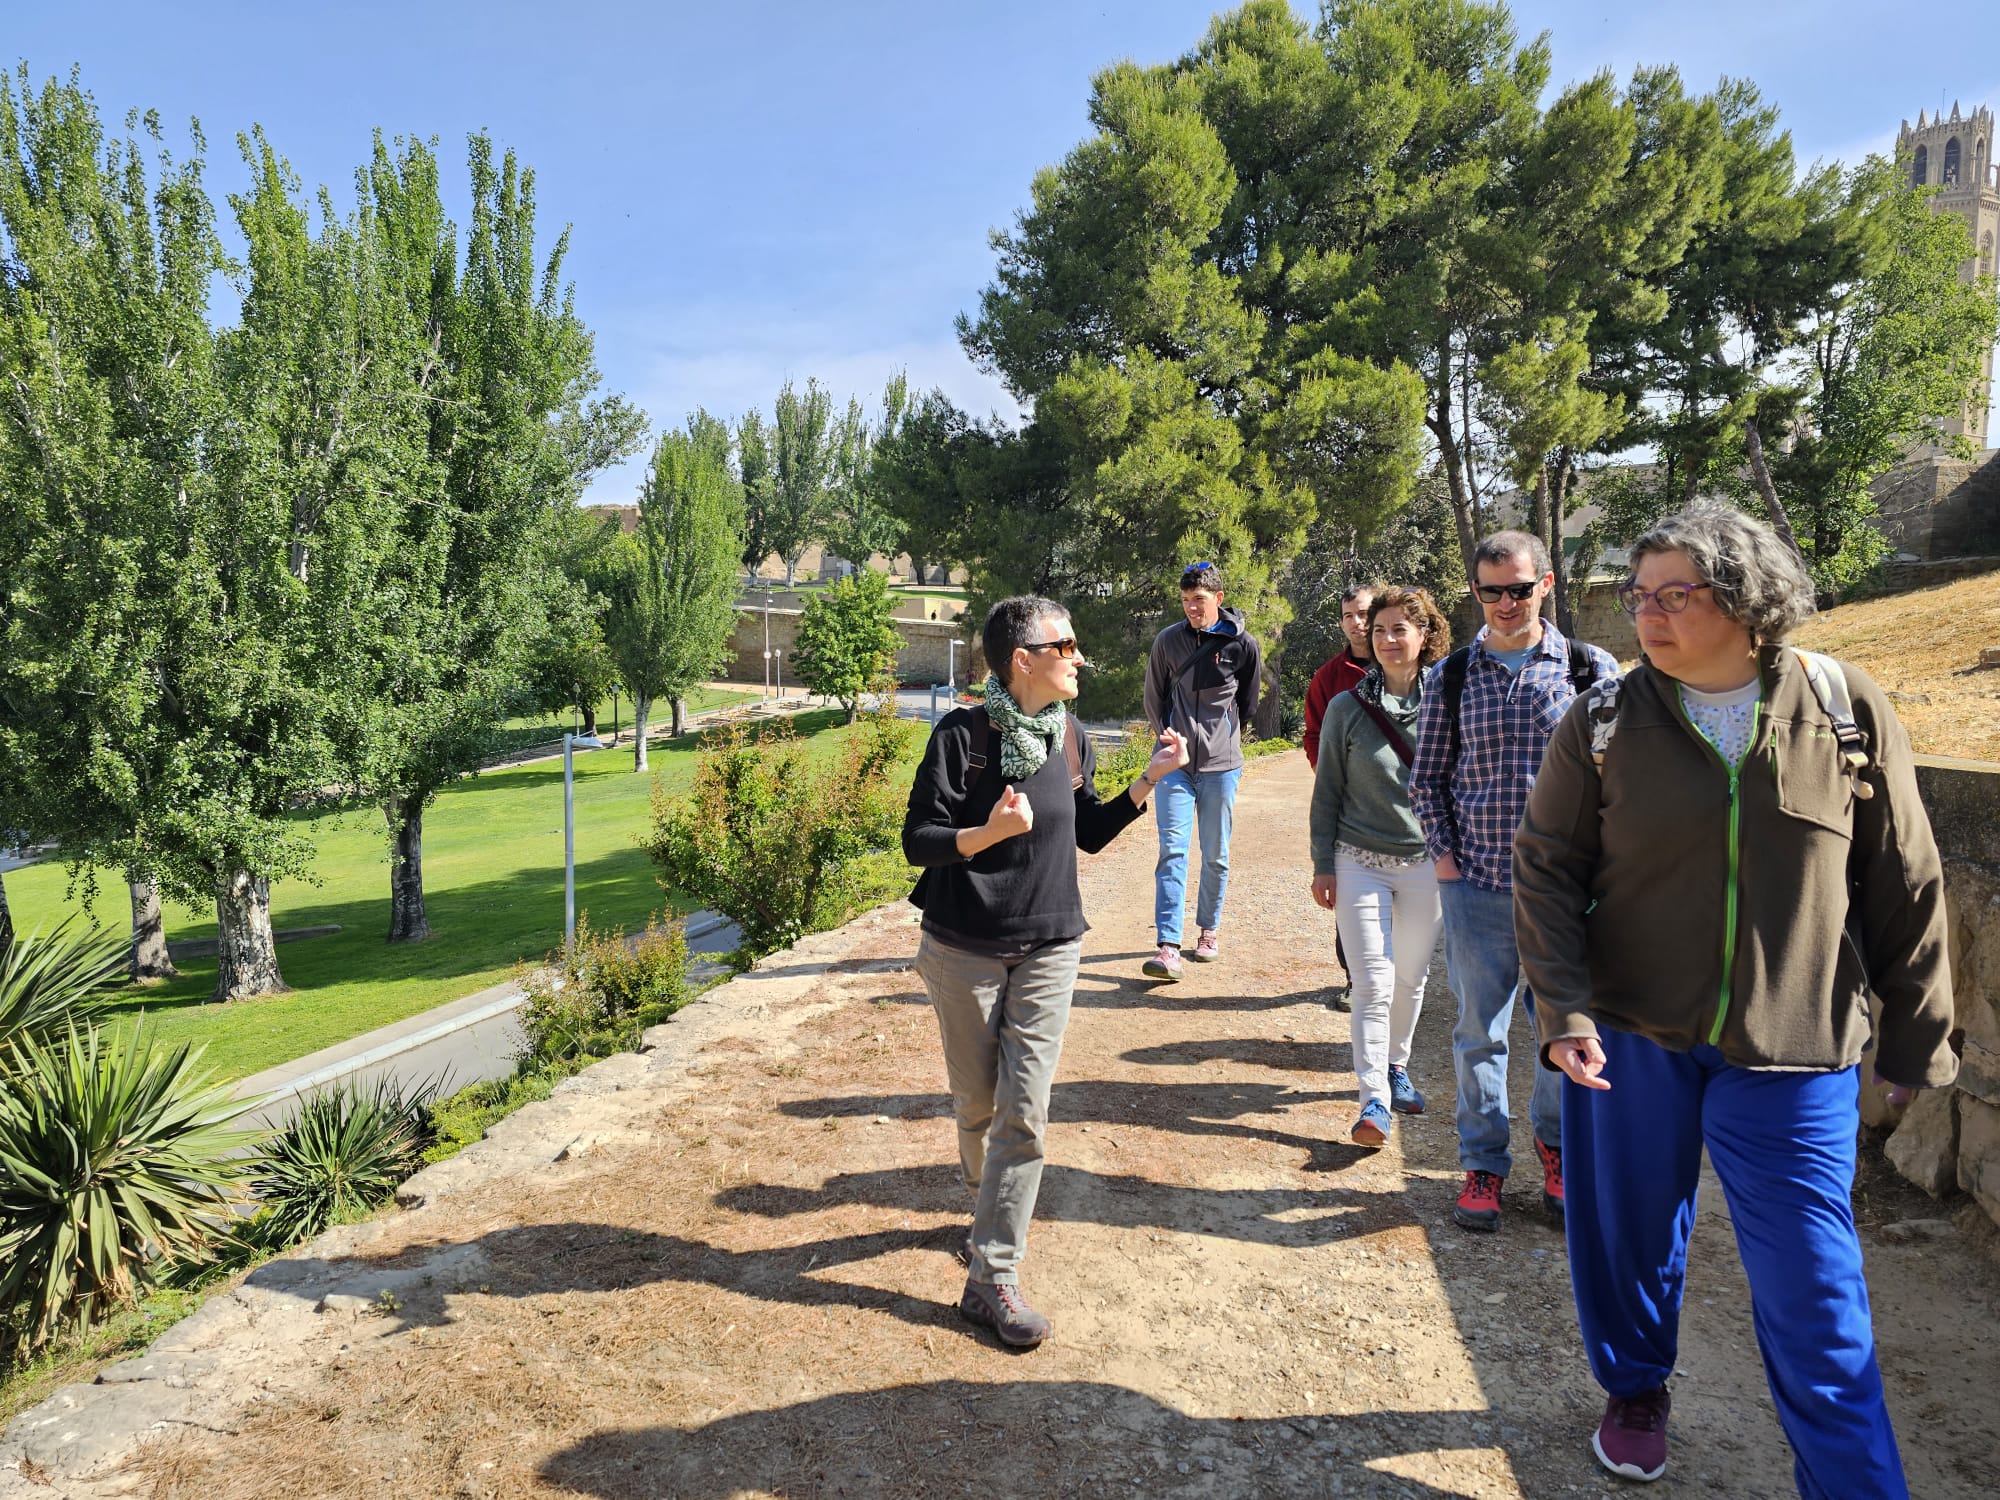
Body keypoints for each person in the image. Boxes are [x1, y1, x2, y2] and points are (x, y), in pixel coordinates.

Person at [1514, 504, 1954, 1491]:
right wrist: (1563, 1013)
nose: (1647, 615)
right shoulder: (1602, 720)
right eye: (1639, 595)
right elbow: (1545, 868)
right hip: (1628, 1037)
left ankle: (1851, 1481)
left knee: (1816, 1291)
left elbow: (1905, 876)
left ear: (1748, 603)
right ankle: (1635, 1388)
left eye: (1675, 595)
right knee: (1629, 1239)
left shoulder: (1843, 706)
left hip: (1797, 1045)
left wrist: (1917, 1034)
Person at [903, 596, 1188, 1348]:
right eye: (1066, 646)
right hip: (962, 947)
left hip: (1052, 944)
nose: (1079, 657)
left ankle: (993, 1272)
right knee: (977, 1106)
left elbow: (1087, 831)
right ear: (1023, 660)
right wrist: (986, 832)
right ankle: (986, 1211)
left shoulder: (1070, 736)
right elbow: (919, 838)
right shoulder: (962, 735)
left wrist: (1148, 780)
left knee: (1023, 1112)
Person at [1408, 531, 1616, 1232]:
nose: (1505, 603)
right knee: (1479, 1033)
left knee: (1565, 1027)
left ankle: (1557, 1151)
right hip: (1477, 886)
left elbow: (1620, 780)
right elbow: (1427, 780)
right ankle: (1483, 1165)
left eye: (1519, 589)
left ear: (1545, 584)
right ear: (1475, 591)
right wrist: (1445, 860)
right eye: (1491, 591)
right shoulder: (1450, 677)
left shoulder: (1590, 670)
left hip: (1569, 892)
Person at [1308, 586, 1450, 1146]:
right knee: (1372, 981)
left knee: (1411, 977)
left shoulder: (1449, 703)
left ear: (1424, 635)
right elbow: (1327, 792)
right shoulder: (1346, 708)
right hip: (1358, 859)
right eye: (1380, 630)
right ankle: (1373, 1099)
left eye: (1400, 630)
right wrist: (1323, 863)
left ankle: (1396, 1065)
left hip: (1425, 862)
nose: (1388, 640)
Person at [1141, 562, 1263, 981]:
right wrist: (1167, 740)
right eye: (1185, 600)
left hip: (1221, 767)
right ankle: (1168, 946)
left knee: (1215, 854)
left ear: (1219, 598)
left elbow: (1248, 702)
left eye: (1199, 599)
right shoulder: (1167, 641)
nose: (1192, 607)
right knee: (1172, 851)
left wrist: (1223, 737)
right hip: (1174, 765)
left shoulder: (1242, 644)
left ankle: (1208, 930)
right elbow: (1153, 696)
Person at [1304, 582, 1376, 1012]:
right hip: (1349, 805)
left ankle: (1397, 980)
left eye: (1363, 613)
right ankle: (1355, 978)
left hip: (1405, 805)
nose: (1356, 623)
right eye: (1349, 615)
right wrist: (1330, 776)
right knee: (1352, 893)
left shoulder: (1409, 667)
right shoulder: (1329, 677)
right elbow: (1313, 735)